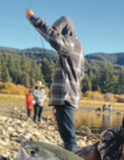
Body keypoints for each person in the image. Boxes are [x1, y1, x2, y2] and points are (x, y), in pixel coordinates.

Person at [25, 9, 84, 150]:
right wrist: (57, 103)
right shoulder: (77, 48)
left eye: (58, 31)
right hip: (66, 98)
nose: (57, 34)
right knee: (68, 137)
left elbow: (52, 37)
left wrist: (33, 18)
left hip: (65, 97)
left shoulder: (71, 44)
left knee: (69, 139)